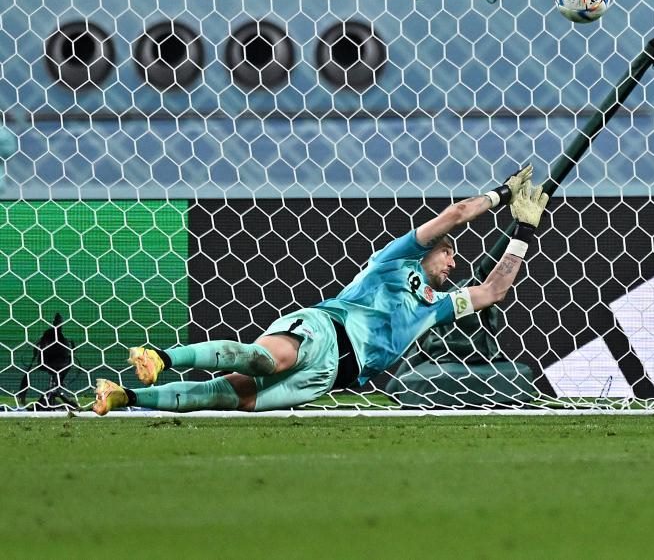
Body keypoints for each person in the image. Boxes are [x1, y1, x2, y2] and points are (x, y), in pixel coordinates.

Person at [92, 165, 549, 414]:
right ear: (428, 252)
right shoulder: (394, 261)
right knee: (265, 359)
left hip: (330, 378)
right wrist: (500, 196)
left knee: (230, 397)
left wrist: (524, 230)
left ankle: (124, 397)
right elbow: (455, 215)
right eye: (448, 253)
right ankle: (160, 357)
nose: (454, 262)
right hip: (327, 331)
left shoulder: (438, 306)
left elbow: (493, 291)